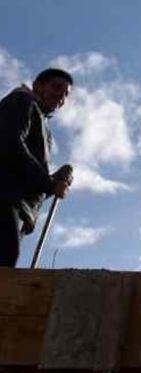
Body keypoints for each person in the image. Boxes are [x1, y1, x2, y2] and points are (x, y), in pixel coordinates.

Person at [0, 68, 74, 267]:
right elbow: (9, 143)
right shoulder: (22, 102)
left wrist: (54, 181)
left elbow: (28, 180)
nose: (61, 96)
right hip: (5, 201)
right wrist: (49, 183)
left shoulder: (41, 122)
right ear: (37, 86)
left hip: (17, 206)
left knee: (6, 265)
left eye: (66, 94)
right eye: (57, 87)